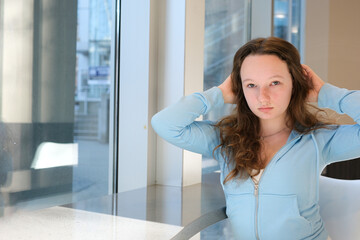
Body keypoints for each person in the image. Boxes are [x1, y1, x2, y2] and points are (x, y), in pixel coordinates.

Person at [151, 37, 360, 240]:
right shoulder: (225, 139)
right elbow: (165, 124)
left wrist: (325, 93)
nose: (263, 97)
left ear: (295, 84)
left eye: (275, 82)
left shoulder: (317, 140)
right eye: (251, 85)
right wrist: (219, 93)